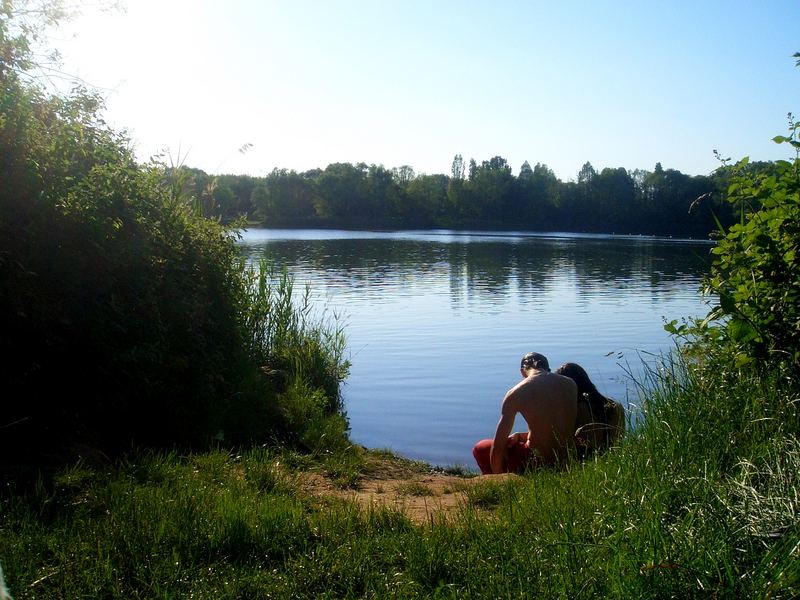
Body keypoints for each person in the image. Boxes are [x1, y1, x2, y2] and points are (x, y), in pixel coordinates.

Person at [472, 352, 578, 474]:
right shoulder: (571, 384)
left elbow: (498, 446)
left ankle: (494, 479)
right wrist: (520, 436)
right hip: (567, 459)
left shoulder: (516, 392)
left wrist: (498, 477)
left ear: (522, 371)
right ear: (547, 368)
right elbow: (552, 428)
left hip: (536, 462)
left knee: (481, 447)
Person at [555, 362, 625, 459]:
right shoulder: (615, 405)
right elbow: (620, 436)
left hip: (585, 458)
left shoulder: (574, 409)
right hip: (614, 456)